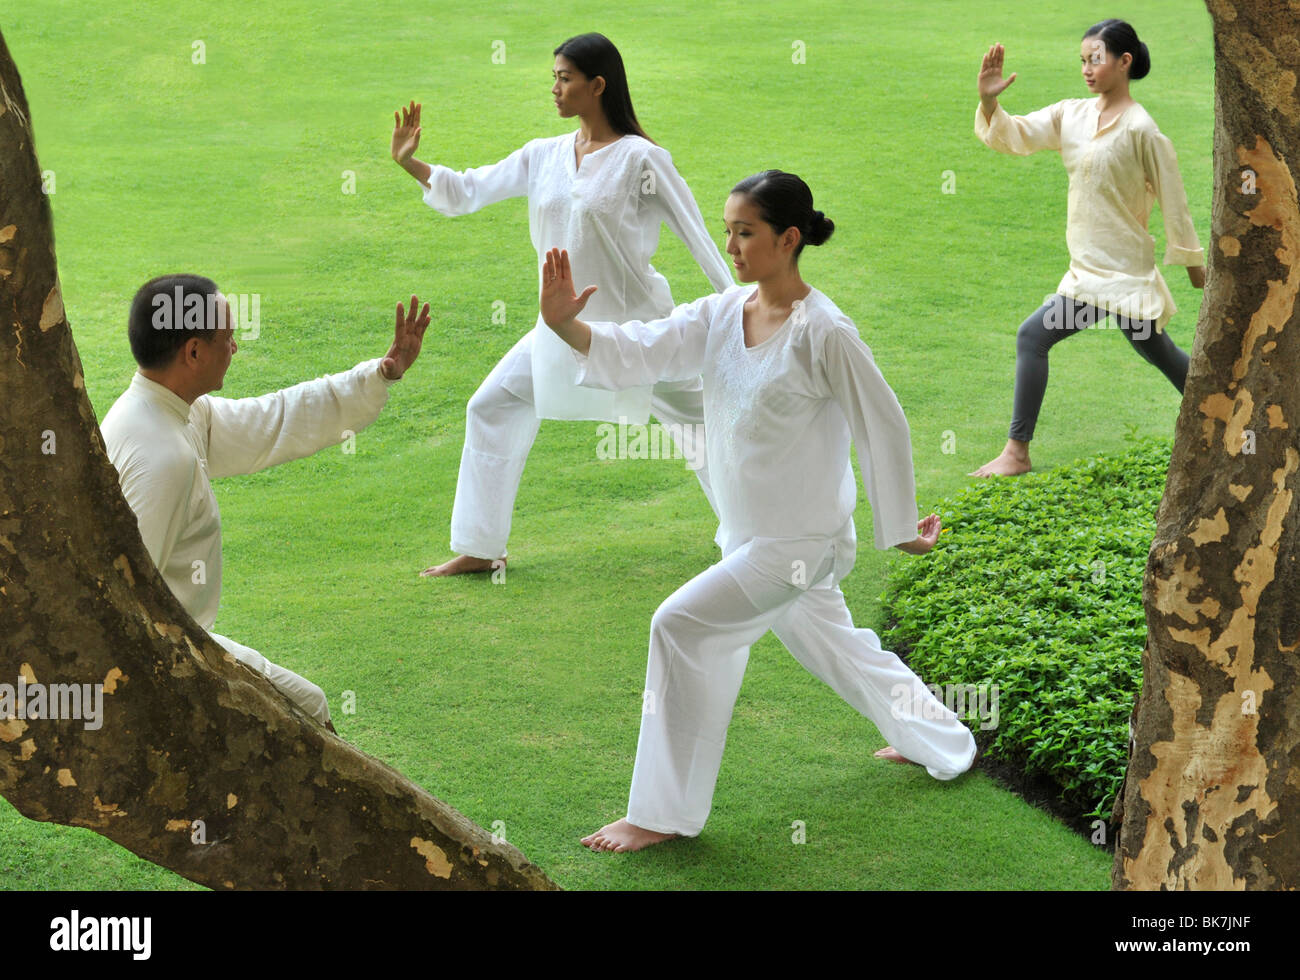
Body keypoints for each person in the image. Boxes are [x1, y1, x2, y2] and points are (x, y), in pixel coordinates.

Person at [536, 171, 977, 852]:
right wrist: (569, 326)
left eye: (747, 232)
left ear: (789, 238)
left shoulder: (825, 332)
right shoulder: (721, 313)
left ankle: (661, 814)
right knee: (837, 645)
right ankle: (943, 740)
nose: (733, 246)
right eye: (729, 231)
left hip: (799, 543)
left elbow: (882, 426)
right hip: (747, 536)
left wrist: (900, 530)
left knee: (679, 626)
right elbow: (645, 347)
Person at [391, 32, 733, 577]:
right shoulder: (543, 155)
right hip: (559, 331)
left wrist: (739, 308)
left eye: (564, 78)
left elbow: (699, 237)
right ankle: (482, 548)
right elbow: (470, 189)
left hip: (642, 334)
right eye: (553, 76)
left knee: (707, 428)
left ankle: (750, 541)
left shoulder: (642, 158)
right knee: (492, 406)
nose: (554, 88)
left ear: (597, 86)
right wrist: (414, 165)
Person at [100, 274, 429, 731]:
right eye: (227, 338)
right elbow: (127, 605)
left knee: (308, 706)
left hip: (181, 645)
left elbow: (275, 419)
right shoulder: (163, 457)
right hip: (169, 661)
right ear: (193, 352)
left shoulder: (167, 411)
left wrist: (379, 374)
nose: (234, 348)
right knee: (306, 712)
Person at [969, 19, 1206, 477]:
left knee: (1032, 337)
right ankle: (1223, 415)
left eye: (1095, 59)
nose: (1087, 68)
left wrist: (1194, 267)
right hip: (1087, 271)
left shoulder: (1143, 130)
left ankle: (1016, 453)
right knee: (1155, 348)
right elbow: (1016, 134)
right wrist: (989, 99)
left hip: (1121, 276)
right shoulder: (1071, 115)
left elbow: (1175, 200)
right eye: (1082, 60)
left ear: (1124, 61)